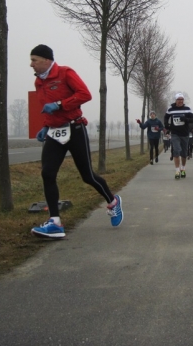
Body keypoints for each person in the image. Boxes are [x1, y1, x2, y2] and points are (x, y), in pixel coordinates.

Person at [29, 44, 123, 238]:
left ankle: (113, 202)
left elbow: (84, 95)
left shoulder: (65, 73)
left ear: (46, 60)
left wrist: (59, 104)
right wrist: (46, 126)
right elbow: (46, 109)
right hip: (54, 132)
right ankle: (55, 222)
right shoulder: (39, 82)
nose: (31, 65)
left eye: (34, 60)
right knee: (47, 173)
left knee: (87, 175)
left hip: (75, 128)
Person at [163, 92, 193, 180]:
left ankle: (183, 168)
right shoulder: (171, 109)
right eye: (179, 99)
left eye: (182, 99)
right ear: (176, 100)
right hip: (175, 134)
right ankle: (177, 170)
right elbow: (166, 117)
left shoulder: (187, 109)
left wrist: (185, 119)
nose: (180, 101)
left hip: (185, 134)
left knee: (184, 154)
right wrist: (167, 126)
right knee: (176, 150)